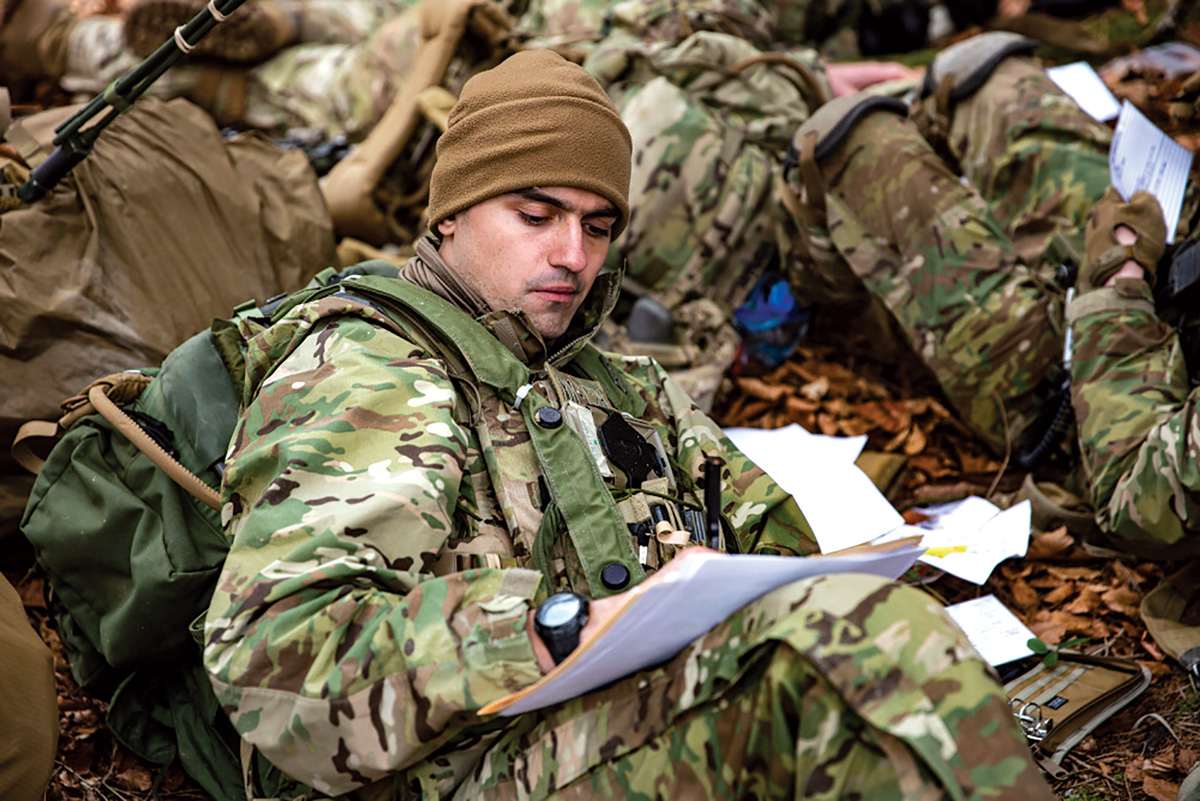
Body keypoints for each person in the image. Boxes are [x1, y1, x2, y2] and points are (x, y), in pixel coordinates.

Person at [201, 48, 1053, 799]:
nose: (573, 254)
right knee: (854, 655)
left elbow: (778, 553)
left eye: (598, 225)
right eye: (536, 217)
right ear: (450, 213)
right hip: (460, 770)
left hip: (614, 731)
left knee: (875, 635)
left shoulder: (625, 386)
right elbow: (279, 654)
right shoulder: (368, 369)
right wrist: (553, 626)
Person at [778, 29, 1200, 558]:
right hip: (1158, 275)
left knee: (843, 141)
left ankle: (833, 302)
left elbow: (1140, 496)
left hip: (1101, 404)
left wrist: (1119, 283)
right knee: (980, 70)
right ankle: (948, 230)